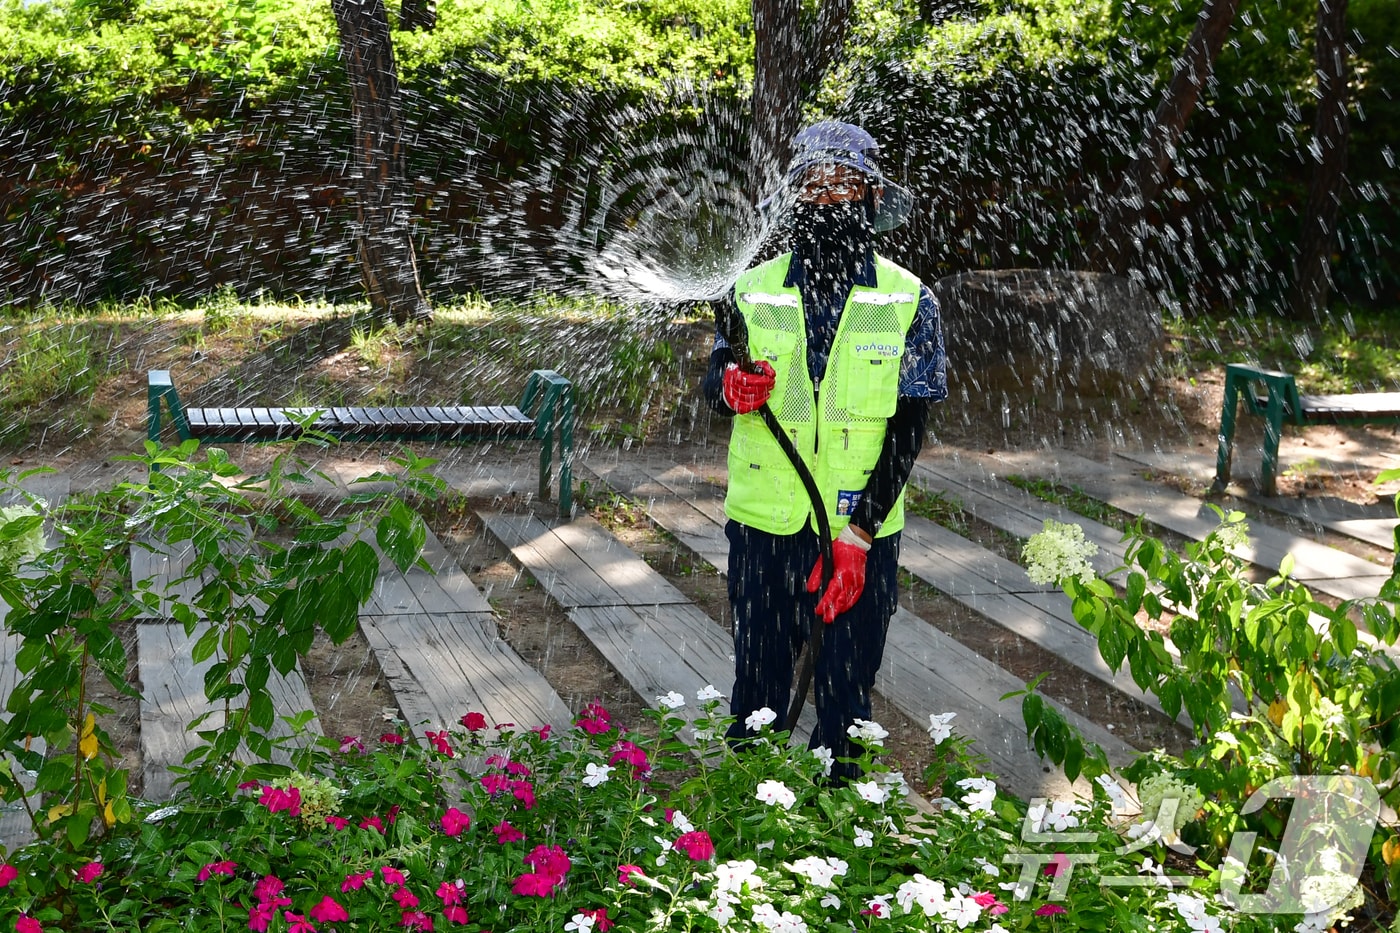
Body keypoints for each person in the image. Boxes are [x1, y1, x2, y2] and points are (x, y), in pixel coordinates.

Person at [703, 121, 947, 783]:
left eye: (844, 185)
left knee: (845, 695)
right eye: (813, 185)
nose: (828, 199)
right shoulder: (749, 290)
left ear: (872, 195)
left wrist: (859, 535)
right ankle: (746, 831)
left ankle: (839, 836)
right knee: (757, 690)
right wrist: (731, 386)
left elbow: (908, 429)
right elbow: (716, 383)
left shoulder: (909, 300)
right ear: (792, 199)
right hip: (765, 526)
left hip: (858, 533)